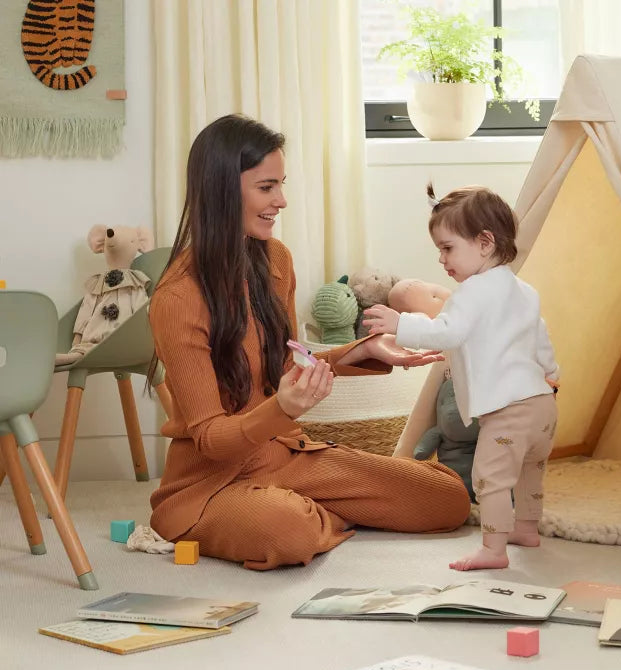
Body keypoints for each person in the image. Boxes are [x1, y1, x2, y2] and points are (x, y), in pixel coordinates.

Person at [146, 115, 470, 571]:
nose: (281, 200)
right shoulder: (177, 298)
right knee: (287, 531)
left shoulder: (275, 260)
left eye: (281, 184)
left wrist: (357, 351)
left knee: (447, 498)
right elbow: (211, 440)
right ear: (221, 189)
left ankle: (315, 511)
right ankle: (306, 514)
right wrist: (284, 409)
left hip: (289, 458)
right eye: (266, 187)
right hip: (210, 485)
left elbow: (285, 365)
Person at [364, 183, 559, 571]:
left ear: (484, 243)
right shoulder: (525, 291)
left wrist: (401, 323)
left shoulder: (471, 292)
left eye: (447, 248)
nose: (441, 259)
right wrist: (553, 373)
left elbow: (447, 332)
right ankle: (526, 528)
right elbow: (540, 338)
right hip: (542, 405)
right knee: (528, 470)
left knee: (490, 476)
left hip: (509, 411)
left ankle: (494, 548)